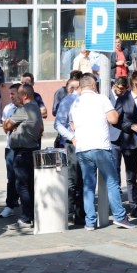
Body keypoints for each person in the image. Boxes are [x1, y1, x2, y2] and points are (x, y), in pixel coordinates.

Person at [69, 74, 136, 230]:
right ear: (93, 86)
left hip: (82, 148)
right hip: (100, 147)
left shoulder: (75, 103)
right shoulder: (102, 99)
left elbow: (72, 126)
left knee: (88, 186)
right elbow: (113, 119)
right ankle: (120, 217)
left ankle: (90, 222)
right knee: (112, 183)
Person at [4, 84, 43, 230]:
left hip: (22, 152)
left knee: (22, 186)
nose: (17, 97)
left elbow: (7, 126)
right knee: (30, 186)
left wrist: (13, 125)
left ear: (25, 96)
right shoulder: (36, 108)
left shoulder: (23, 109)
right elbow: (40, 130)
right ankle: (32, 216)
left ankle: (26, 218)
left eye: (19, 95)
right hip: (32, 149)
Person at [113, 71, 137, 218]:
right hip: (130, 143)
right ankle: (134, 205)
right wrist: (130, 126)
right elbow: (116, 121)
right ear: (136, 84)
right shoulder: (123, 99)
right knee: (131, 175)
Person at [54, 76, 85, 225]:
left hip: (87, 143)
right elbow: (58, 124)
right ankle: (69, 213)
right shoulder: (68, 101)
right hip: (72, 144)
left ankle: (82, 212)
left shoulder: (88, 101)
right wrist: (72, 137)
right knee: (72, 180)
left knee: (85, 179)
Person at [0, 84, 22, 218]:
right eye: (10, 94)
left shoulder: (27, 108)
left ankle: (27, 206)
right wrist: (10, 126)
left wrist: (13, 126)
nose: (10, 96)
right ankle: (10, 205)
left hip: (23, 148)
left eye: (13, 94)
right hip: (10, 148)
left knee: (24, 178)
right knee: (11, 177)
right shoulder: (8, 108)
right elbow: (5, 127)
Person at [109, 77, 129, 191]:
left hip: (127, 137)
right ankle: (117, 192)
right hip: (112, 136)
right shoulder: (107, 97)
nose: (123, 92)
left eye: (125, 89)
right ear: (114, 86)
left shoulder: (127, 96)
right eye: (121, 89)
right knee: (115, 167)